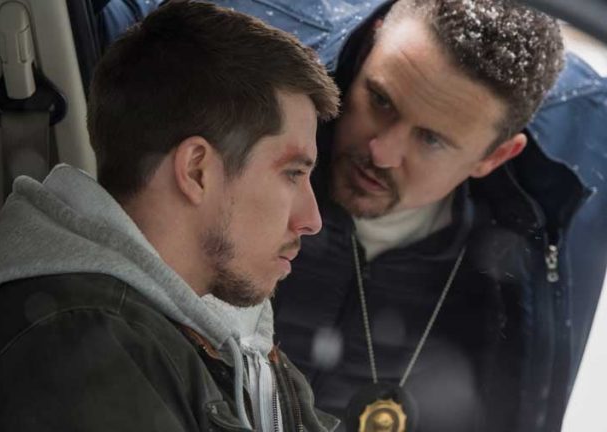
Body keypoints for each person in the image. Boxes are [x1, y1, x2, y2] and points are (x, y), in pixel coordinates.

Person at [0, 2, 343, 431]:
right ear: (197, 171)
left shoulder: (224, 338)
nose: (311, 219)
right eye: (292, 173)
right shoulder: (75, 353)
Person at [205, 0, 607, 431]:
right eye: (380, 100)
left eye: (430, 140)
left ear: (494, 157)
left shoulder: (586, 147)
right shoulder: (238, 40)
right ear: (370, 44)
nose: (381, 151)